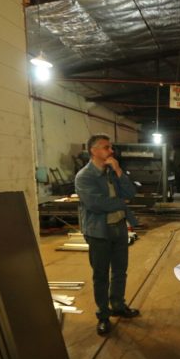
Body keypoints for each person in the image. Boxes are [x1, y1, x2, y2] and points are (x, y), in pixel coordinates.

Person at [75, 134, 141, 336]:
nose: (111, 151)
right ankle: (103, 315)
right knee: (101, 275)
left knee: (120, 271)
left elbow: (130, 193)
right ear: (93, 151)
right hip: (99, 232)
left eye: (110, 147)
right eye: (106, 147)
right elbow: (96, 204)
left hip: (119, 228)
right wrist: (122, 203)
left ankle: (118, 305)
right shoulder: (84, 177)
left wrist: (119, 171)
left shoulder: (112, 172)